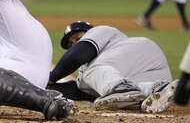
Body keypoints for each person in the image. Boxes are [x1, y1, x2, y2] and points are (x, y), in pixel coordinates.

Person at [48, 21, 179, 113]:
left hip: (139, 51)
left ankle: (120, 88)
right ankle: (157, 88)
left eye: (77, 38)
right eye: (71, 44)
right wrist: (42, 87)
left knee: (93, 72)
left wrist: (51, 77)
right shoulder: (93, 72)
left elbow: (77, 55)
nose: (74, 44)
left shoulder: (100, 31)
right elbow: (80, 92)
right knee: (133, 90)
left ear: (88, 33)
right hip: (152, 72)